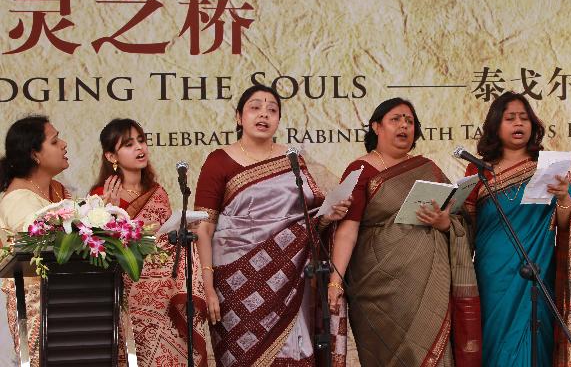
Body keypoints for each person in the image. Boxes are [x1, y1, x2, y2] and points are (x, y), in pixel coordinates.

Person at [193, 84, 351, 366]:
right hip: (234, 283)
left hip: (291, 279)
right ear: (239, 117)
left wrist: (329, 215)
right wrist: (207, 287)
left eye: (272, 110)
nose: (264, 115)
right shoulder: (219, 161)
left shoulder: (293, 159)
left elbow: (309, 221)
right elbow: (203, 228)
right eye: (255, 108)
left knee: (293, 352)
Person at [328, 98, 482, 366]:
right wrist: (335, 280)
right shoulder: (361, 169)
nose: (404, 126)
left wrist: (445, 223)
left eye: (410, 122)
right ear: (377, 126)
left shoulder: (428, 168)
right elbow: (347, 229)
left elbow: (459, 218)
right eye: (395, 119)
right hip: (378, 288)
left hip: (432, 283)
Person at [464, 91, 571, 366]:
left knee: (534, 338)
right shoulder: (477, 171)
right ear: (495, 125)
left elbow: (569, 225)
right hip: (492, 277)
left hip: (536, 273)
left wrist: (563, 198)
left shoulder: (549, 167)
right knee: (496, 342)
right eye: (510, 118)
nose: (519, 124)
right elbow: (465, 227)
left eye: (524, 118)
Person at [90, 118, 208, 366]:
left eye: (141, 140)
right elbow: (100, 248)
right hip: (128, 290)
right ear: (112, 156)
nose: (139, 148)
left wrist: (182, 227)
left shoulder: (158, 192)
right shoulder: (101, 195)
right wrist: (108, 210)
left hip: (163, 293)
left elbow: (164, 237)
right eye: (129, 144)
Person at [0, 116, 70, 367]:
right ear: (35, 155)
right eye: (54, 141)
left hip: (71, 301)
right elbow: (38, 249)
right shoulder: (18, 200)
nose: (63, 144)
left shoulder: (56, 190)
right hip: (39, 310)